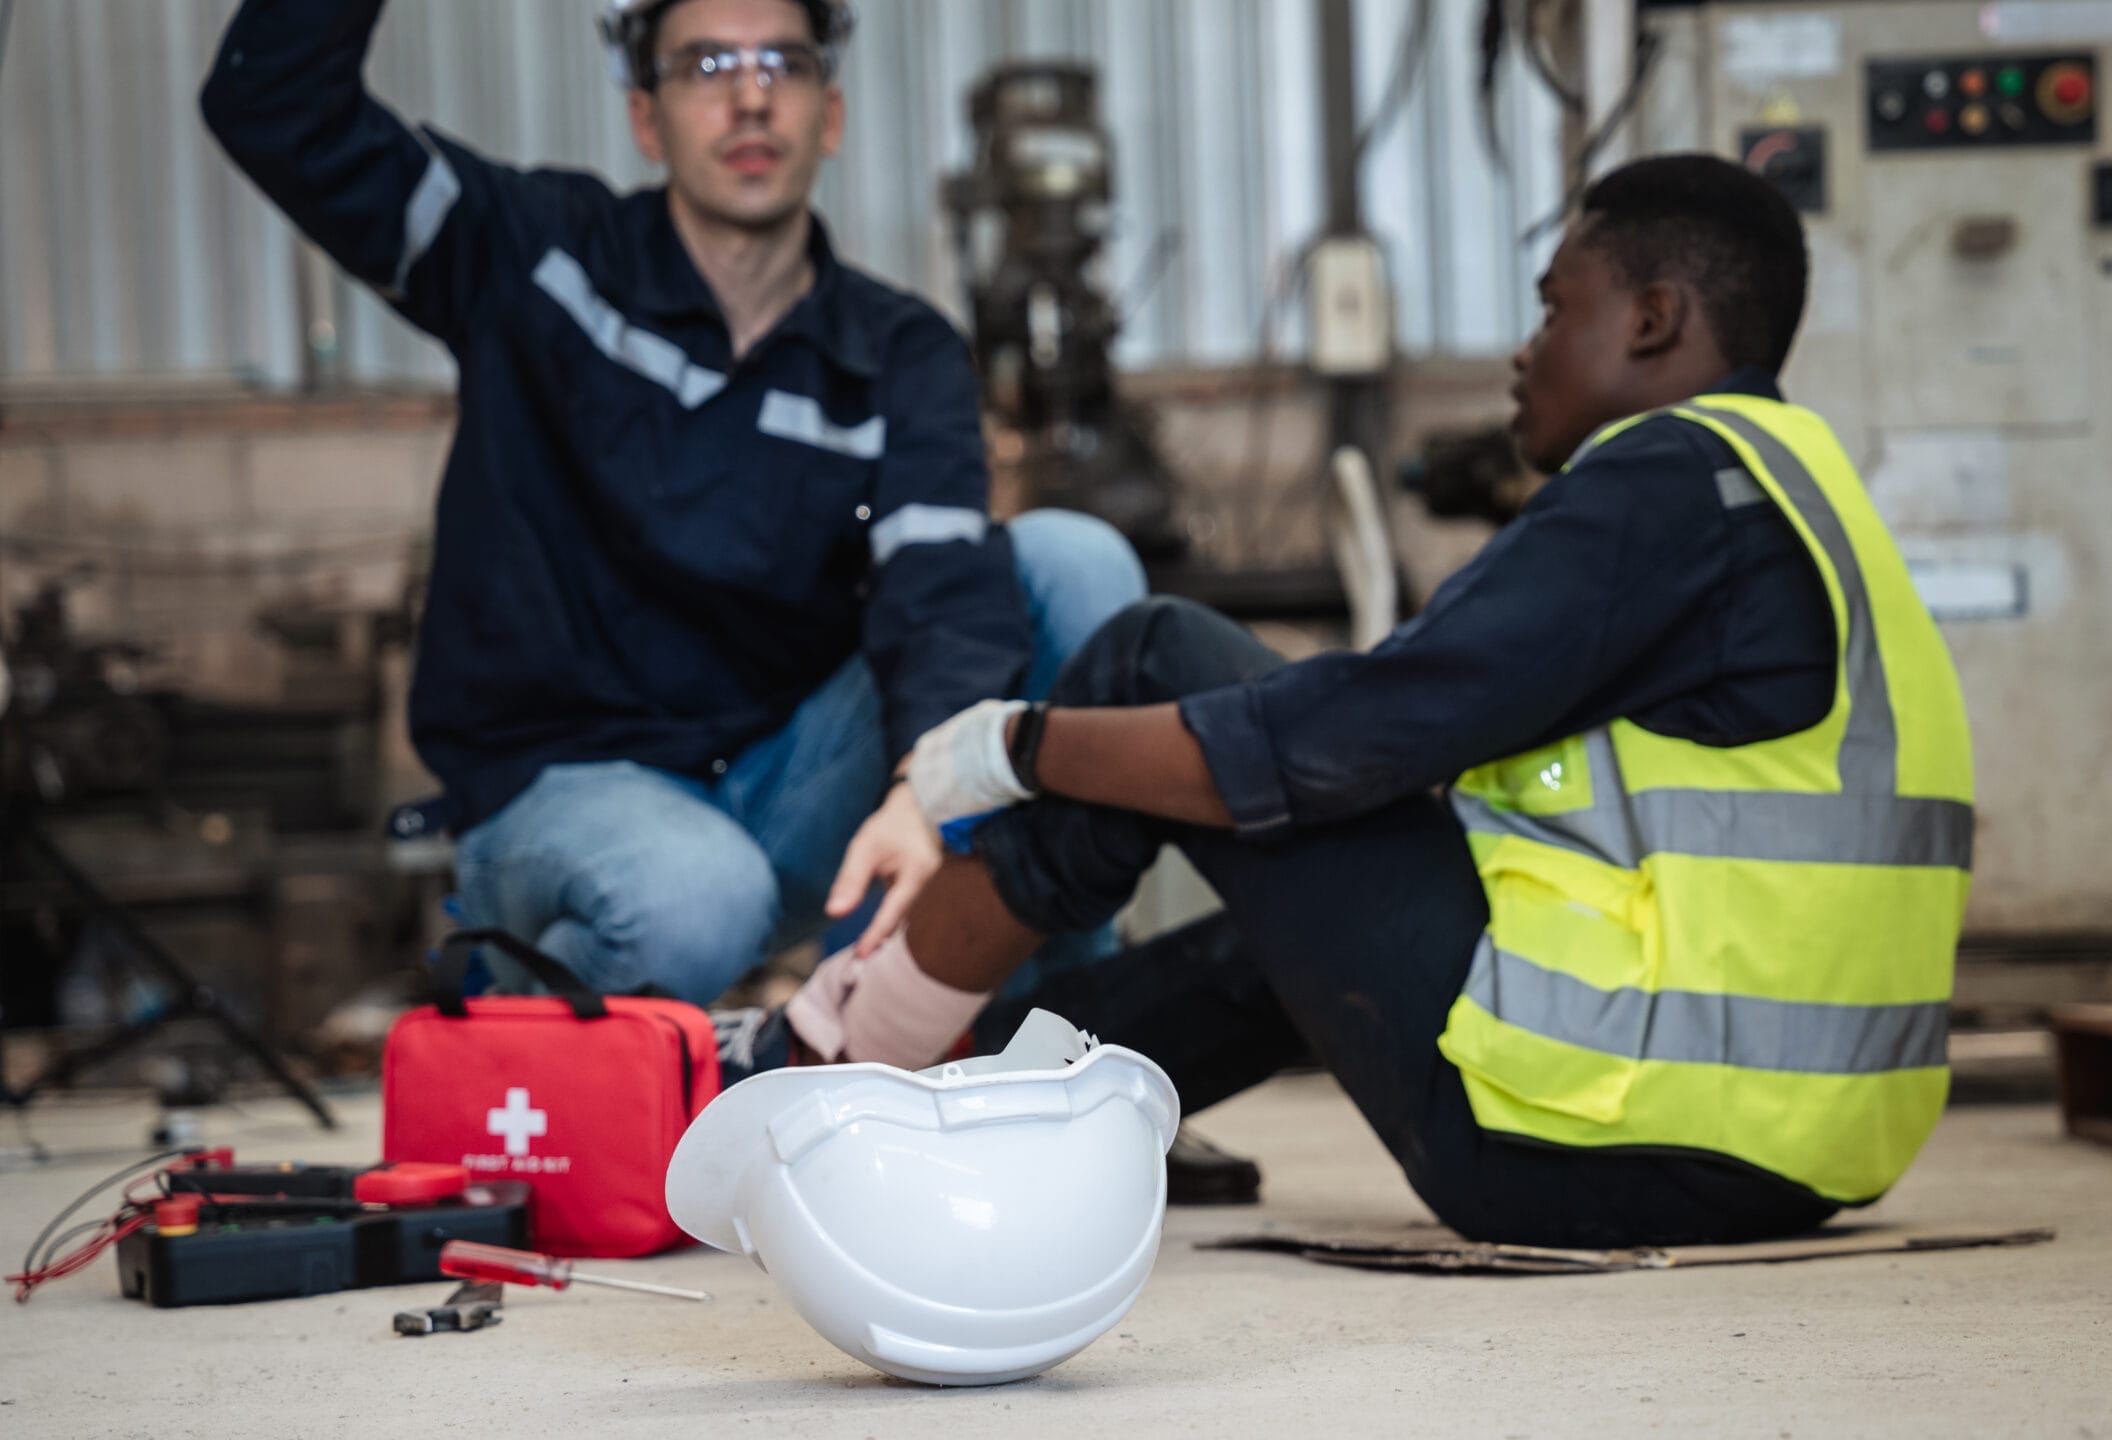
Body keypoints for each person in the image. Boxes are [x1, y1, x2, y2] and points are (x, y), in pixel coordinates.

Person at [769, 153, 1977, 1248]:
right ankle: (990, 1094)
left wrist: (1011, 747)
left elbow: (1346, 739)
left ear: (1654, 318)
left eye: (1557, 307)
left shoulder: (1663, 483)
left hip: (1584, 1141)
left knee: (1152, 654)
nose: (1525, 348)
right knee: (1298, 894)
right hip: (1788, 1151)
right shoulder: (1802, 490)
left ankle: (838, 1050)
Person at [199, 0, 1145, 1006]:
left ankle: (1069, 1047)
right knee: (695, 898)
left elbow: (944, 592)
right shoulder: (532, 257)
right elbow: (274, 106)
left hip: (787, 783)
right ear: (647, 119)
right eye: (703, 65)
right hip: (566, 786)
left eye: (781, 62)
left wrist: (930, 793)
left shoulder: (898, 354)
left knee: (1071, 566)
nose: (747, 95)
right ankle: (510, 997)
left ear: (829, 114)